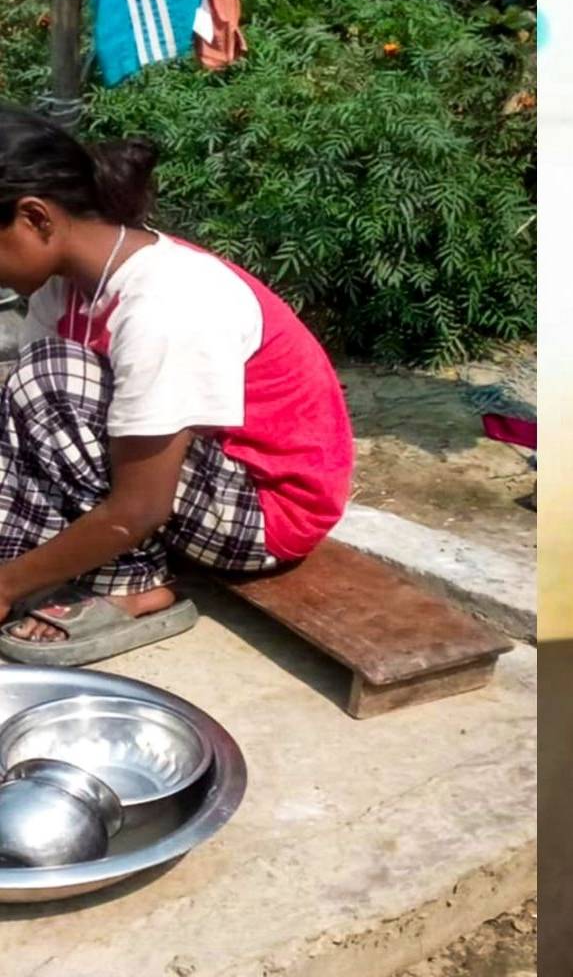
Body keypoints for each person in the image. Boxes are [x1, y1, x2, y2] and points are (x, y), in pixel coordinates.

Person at [0, 105, 354, 664]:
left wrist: (8, 584)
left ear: (36, 219)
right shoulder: (62, 285)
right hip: (180, 478)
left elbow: (139, 506)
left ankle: (135, 582)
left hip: (266, 513)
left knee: (47, 379)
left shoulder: (167, 302)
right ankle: (75, 563)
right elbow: (27, 437)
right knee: (27, 388)